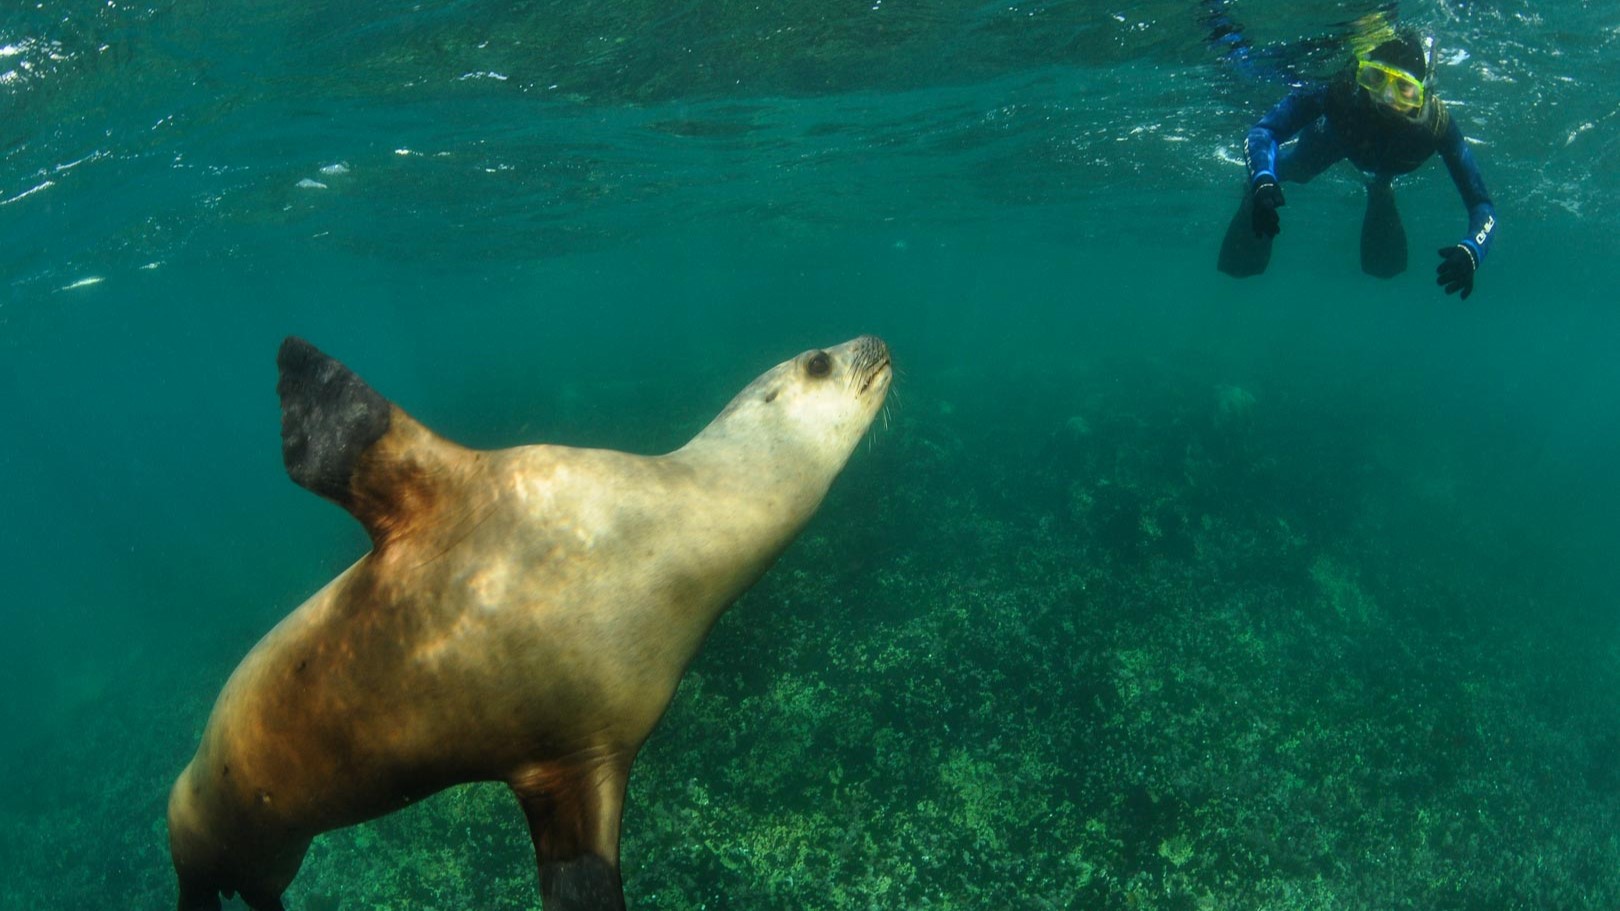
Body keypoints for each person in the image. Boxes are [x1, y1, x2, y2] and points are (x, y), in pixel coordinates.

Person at [1216, 26, 1497, 299]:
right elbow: (1263, 132)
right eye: (1375, 78)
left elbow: (1482, 207)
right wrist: (1263, 179)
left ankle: (1381, 188)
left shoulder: (1437, 124)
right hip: (1331, 140)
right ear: (1360, 73)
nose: (1386, 99)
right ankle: (1262, 185)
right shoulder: (1338, 91)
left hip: (1389, 162)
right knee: (1297, 171)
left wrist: (1473, 250)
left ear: (1422, 95)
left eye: (1404, 89)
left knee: (1379, 177)